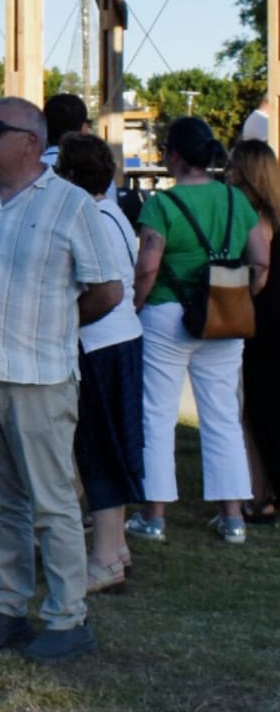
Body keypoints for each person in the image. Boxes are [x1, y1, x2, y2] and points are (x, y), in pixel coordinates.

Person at [0, 97, 123, 664]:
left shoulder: (73, 206)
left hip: (39, 377)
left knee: (52, 504)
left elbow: (108, 291)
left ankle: (68, 617)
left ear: (31, 140)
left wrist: (55, 327)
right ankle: (7, 607)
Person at [128, 116, 267, 547]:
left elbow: (149, 265)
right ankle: (232, 518)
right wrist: (241, 295)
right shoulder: (235, 201)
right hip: (225, 316)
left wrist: (136, 304)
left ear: (173, 156)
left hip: (168, 315)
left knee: (157, 414)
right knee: (223, 414)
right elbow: (261, 262)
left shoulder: (162, 206)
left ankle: (154, 516)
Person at [55, 133, 145, 594]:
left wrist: (61, 324)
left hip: (99, 346)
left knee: (98, 448)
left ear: (68, 175)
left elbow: (101, 293)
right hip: (125, 339)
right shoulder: (114, 213)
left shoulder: (87, 215)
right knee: (117, 445)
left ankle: (106, 557)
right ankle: (117, 547)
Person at [227, 139, 280, 524]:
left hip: (260, 322)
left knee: (256, 410)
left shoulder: (250, 216)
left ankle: (260, 496)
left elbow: (258, 271)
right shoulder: (276, 214)